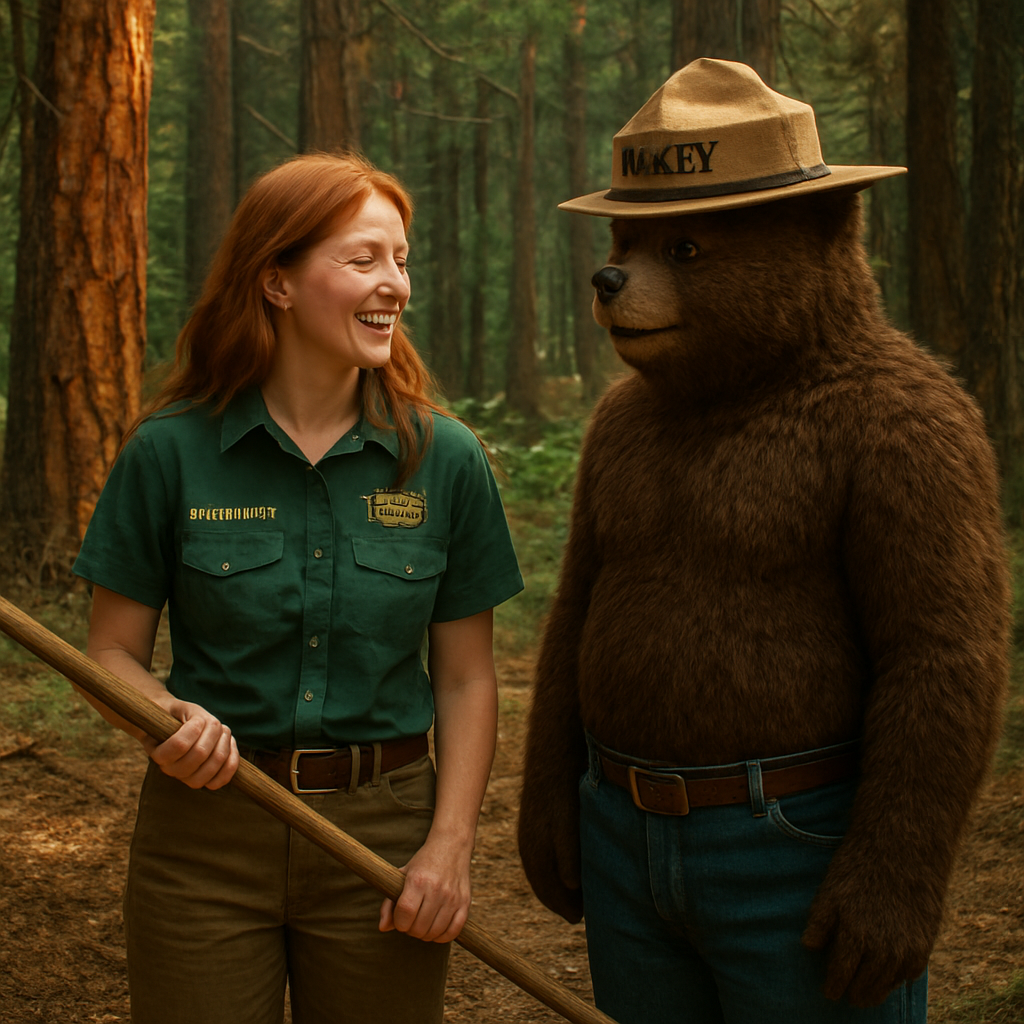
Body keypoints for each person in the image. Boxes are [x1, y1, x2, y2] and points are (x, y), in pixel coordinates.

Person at [73, 152, 523, 1024]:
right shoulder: (169, 453)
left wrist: (449, 848)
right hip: (205, 839)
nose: (394, 284)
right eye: (364, 260)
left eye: (401, 259)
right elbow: (110, 653)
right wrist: (161, 716)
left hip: (384, 843)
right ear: (275, 281)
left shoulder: (446, 460)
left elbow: (467, 677)